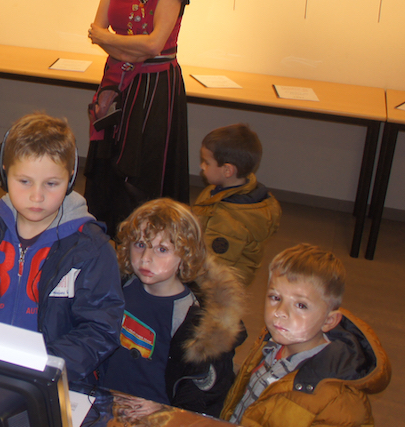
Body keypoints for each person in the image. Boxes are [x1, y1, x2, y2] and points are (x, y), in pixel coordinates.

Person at [0, 112, 124, 386]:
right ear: (4, 174)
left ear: (70, 179)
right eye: (24, 181)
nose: (37, 196)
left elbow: (100, 329)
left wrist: (43, 365)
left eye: (51, 184)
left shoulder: (90, 250)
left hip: (49, 379)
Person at [84, 0, 191, 237]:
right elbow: (96, 30)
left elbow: (155, 44)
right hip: (117, 77)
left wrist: (115, 42)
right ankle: (108, 229)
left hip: (154, 87)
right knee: (110, 156)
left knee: (145, 163)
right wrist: (128, 50)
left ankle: (146, 234)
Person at [99, 199, 246, 416]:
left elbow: (196, 396)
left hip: (154, 415)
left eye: (162, 249)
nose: (146, 259)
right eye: (139, 244)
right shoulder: (119, 287)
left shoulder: (190, 319)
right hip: (105, 399)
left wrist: (166, 411)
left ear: (186, 255)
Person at [221, 244, 390, 426]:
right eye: (275, 297)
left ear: (328, 321)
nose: (280, 312)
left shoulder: (339, 402)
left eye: (301, 305)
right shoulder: (270, 341)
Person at [193, 124, 282, 287]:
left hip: (215, 286)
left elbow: (214, 268)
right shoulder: (222, 191)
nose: (202, 166)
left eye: (206, 162)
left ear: (227, 170)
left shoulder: (227, 220)